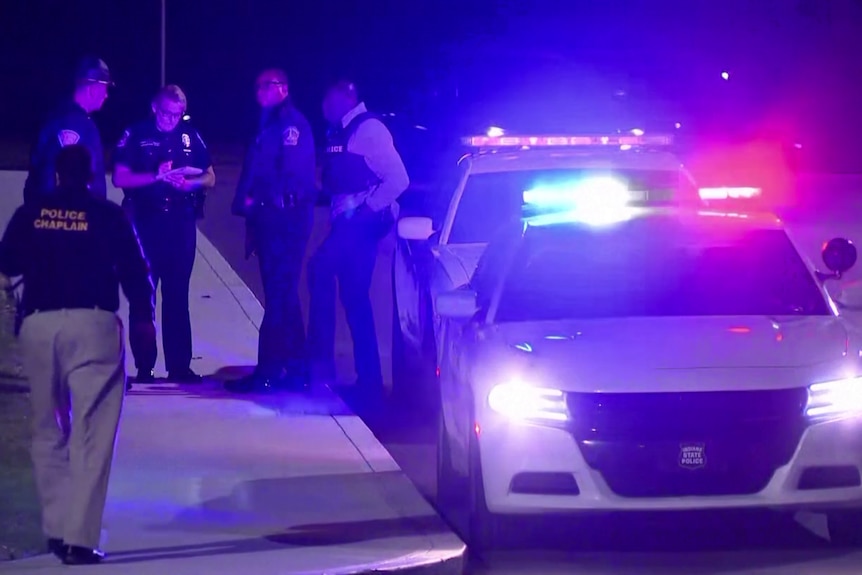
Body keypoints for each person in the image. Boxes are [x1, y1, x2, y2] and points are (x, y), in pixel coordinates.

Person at [0, 144, 156, 565]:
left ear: (55, 176)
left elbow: (7, 261)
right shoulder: (107, 215)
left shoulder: (31, 213)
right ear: (91, 177)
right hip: (92, 325)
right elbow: (135, 270)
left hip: (39, 324)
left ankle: (54, 529)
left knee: (47, 429)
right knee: (93, 433)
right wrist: (144, 319)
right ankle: (80, 538)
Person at [307, 79, 409, 401]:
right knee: (354, 297)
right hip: (348, 222)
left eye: (328, 99)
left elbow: (399, 179)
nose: (323, 105)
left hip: (361, 223)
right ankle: (369, 382)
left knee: (319, 270)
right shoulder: (341, 131)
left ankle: (321, 369)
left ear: (345, 99)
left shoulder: (369, 130)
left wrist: (368, 209)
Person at [112, 85, 216, 385]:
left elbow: (210, 175)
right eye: (167, 113)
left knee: (177, 295)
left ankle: (180, 366)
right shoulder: (135, 134)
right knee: (143, 298)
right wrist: (155, 176)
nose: (172, 119)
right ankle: (145, 367)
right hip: (145, 222)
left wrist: (191, 184)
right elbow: (120, 177)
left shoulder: (189, 135)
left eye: (178, 113)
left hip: (180, 224)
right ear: (155, 109)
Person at [225, 68, 317, 393]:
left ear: (284, 88)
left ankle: (268, 373)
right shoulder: (268, 124)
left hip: (284, 223)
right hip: (270, 221)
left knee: (278, 296)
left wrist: (263, 202)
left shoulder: (290, 124)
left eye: (268, 85)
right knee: (284, 296)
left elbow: (290, 178)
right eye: (258, 86)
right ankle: (296, 368)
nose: (261, 91)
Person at [23, 56, 113, 204]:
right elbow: (61, 173)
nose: (106, 95)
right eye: (105, 88)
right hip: (70, 216)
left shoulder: (68, 117)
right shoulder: (73, 122)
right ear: (92, 89)